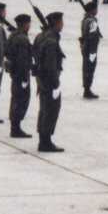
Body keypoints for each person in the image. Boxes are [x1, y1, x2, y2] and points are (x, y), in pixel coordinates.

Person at [34, 11, 65, 152]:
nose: (62, 25)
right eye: (61, 22)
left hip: (41, 79)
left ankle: (43, 140)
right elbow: (51, 65)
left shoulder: (41, 37)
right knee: (51, 110)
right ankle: (46, 142)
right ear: (57, 23)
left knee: (44, 109)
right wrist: (55, 85)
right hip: (50, 81)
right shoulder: (51, 41)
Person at [5, 14, 34, 139]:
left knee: (16, 98)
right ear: (24, 24)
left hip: (15, 72)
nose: (30, 26)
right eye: (28, 23)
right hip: (21, 74)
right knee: (21, 99)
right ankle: (16, 128)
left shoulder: (13, 35)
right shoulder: (22, 38)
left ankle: (15, 127)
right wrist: (24, 77)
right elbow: (22, 59)